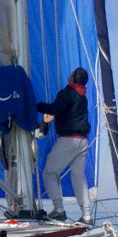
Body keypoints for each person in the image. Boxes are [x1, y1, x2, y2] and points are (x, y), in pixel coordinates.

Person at [37, 67, 93, 225]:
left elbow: (55, 109)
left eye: (72, 73)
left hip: (70, 139)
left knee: (49, 172)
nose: (69, 74)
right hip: (83, 141)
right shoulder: (83, 97)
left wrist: (36, 106)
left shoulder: (67, 93)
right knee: (78, 177)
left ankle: (59, 210)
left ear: (74, 77)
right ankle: (87, 215)